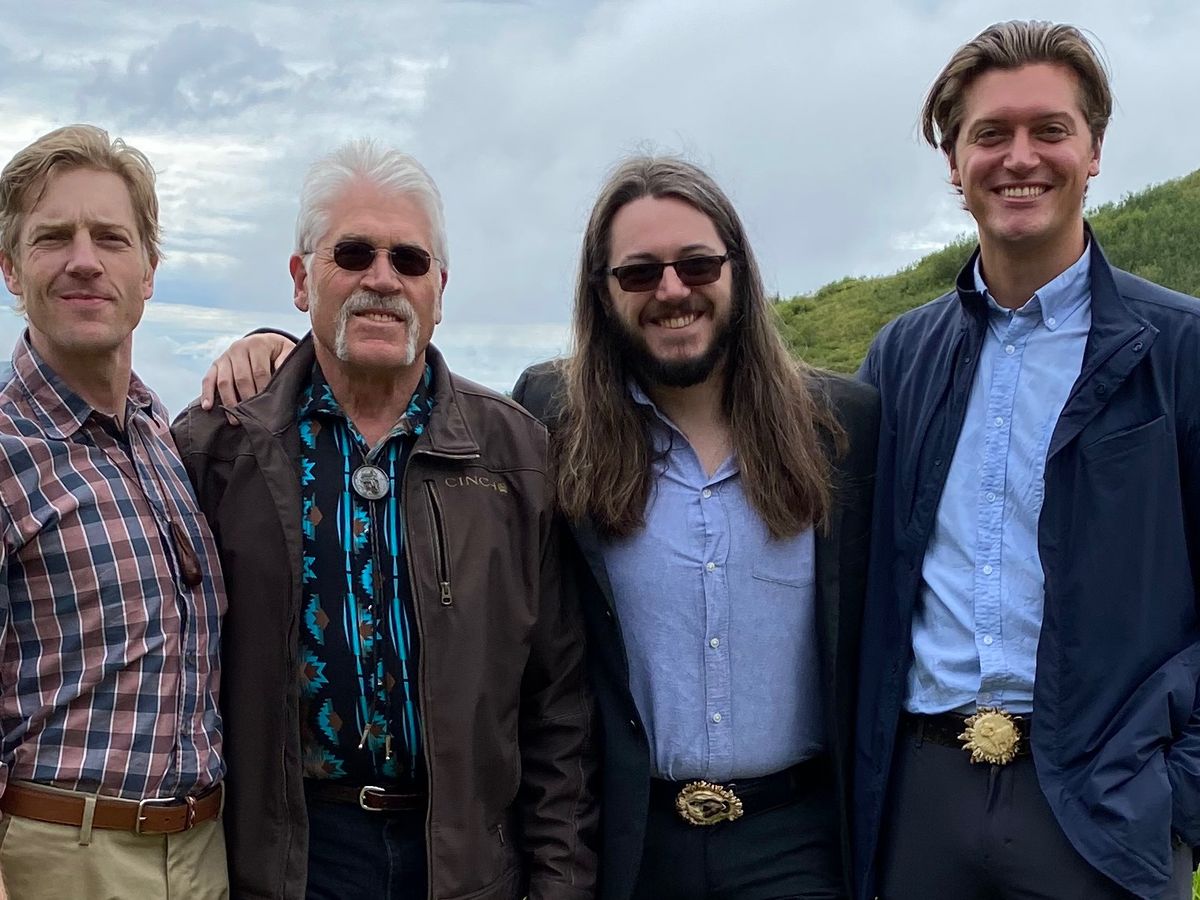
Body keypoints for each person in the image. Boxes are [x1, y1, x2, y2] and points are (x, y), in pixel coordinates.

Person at [173, 139, 598, 900]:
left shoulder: (518, 456)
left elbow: (558, 703)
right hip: (293, 863)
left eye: (409, 259)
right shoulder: (219, 448)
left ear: (440, 287)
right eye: (353, 253)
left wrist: (559, 884)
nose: (382, 278)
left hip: (466, 864)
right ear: (301, 279)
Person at [855, 20, 1200, 900]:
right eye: (990, 134)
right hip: (922, 799)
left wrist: (1178, 796)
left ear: (1094, 151)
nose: (1020, 158)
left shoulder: (1180, 348)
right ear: (953, 160)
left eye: (1050, 130)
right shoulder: (898, 358)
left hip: (1106, 800)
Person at [512, 156, 879, 899]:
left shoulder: (843, 425)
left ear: (738, 270)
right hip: (629, 844)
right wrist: (279, 352)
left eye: (698, 264)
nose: (673, 290)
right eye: (639, 273)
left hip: (798, 846)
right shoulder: (551, 416)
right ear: (602, 291)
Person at [0, 125, 229, 898]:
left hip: (202, 852)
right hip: (59, 858)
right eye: (52, 237)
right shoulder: (6, 449)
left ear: (149, 272)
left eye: (110, 238)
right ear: (10, 267)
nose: (84, 260)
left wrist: (267, 342)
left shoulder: (164, 436)